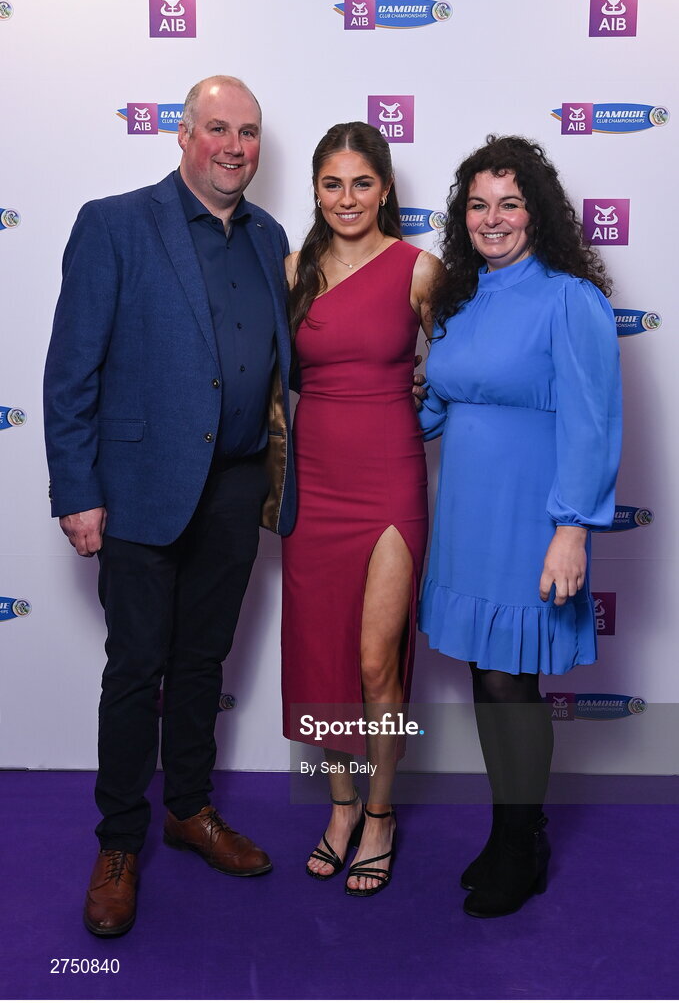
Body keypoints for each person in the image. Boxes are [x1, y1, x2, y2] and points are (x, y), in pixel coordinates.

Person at [43, 76, 296, 937]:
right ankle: (119, 842)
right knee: (135, 669)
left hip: (233, 486)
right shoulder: (114, 222)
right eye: (217, 129)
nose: (234, 146)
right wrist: (78, 493)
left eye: (249, 133)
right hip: (141, 488)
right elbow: (71, 370)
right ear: (182, 135)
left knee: (202, 666)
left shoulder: (269, 237)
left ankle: (189, 812)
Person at [418, 135, 622, 917]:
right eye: (478, 204)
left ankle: (521, 841)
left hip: (530, 514)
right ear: (461, 216)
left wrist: (571, 529)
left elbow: (592, 418)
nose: (492, 218)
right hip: (466, 513)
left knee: (510, 680)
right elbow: (438, 406)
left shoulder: (569, 298)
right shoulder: (462, 300)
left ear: (536, 214)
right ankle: (508, 829)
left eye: (509, 203)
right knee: (484, 673)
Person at [281, 122, 441, 896]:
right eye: (332, 183)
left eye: (362, 183)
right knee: (323, 661)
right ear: (315, 189)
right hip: (313, 483)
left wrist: (427, 389)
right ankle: (339, 806)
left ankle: (380, 812)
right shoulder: (292, 270)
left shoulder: (420, 269)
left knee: (378, 661)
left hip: (389, 481)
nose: (347, 199)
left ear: (385, 188)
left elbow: (464, 365)